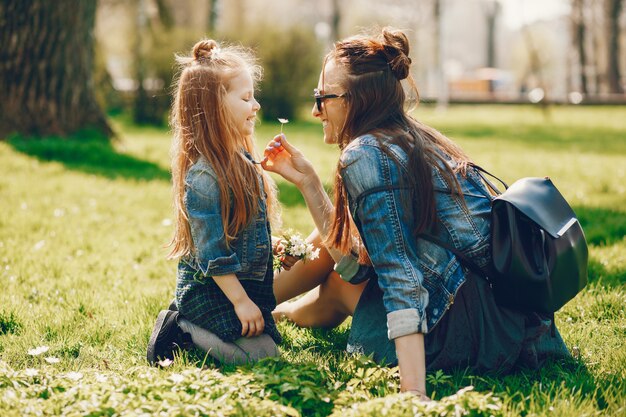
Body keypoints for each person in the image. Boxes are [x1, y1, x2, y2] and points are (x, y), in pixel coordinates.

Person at [263, 28, 570, 398]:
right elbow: (358, 264)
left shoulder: (366, 154)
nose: (315, 111)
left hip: (479, 328)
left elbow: (400, 277)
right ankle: (272, 312)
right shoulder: (408, 135)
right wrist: (310, 183)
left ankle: (248, 309)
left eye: (322, 98)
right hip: (514, 321)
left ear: (355, 99)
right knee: (333, 258)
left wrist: (414, 394)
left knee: (339, 280)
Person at [146, 39, 283, 366]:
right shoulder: (205, 176)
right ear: (214, 108)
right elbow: (211, 252)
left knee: (268, 352)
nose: (257, 105)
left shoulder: (245, 159)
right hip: (209, 290)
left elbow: (239, 231)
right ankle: (183, 326)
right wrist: (240, 302)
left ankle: (213, 329)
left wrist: (274, 245)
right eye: (246, 98)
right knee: (261, 358)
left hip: (243, 286)